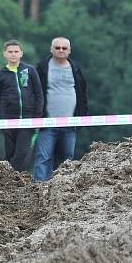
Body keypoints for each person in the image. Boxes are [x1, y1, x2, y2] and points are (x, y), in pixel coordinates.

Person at [33, 36, 88, 182]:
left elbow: (83, 93)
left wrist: (82, 116)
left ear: (69, 50)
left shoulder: (76, 68)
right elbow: (35, 94)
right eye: (57, 48)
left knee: (66, 160)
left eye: (64, 48)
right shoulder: (41, 68)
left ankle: (63, 189)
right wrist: (37, 117)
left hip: (70, 124)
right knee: (43, 158)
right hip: (46, 124)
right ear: (51, 49)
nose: (60, 50)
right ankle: (39, 190)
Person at [0, 39, 44, 172]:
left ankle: (6, 175)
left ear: (21, 53)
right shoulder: (0, 74)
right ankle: (13, 186)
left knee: (22, 152)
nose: (13, 54)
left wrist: (37, 117)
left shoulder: (30, 70)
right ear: (5, 54)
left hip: (28, 119)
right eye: (10, 52)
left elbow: (39, 94)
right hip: (8, 120)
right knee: (10, 154)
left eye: (16, 51)